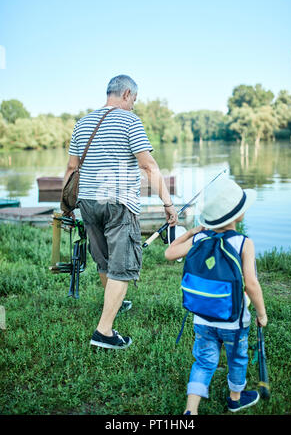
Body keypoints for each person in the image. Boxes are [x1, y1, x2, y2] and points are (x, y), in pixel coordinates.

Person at [63, 74, 178, 350]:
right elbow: (149, 167)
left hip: (87, 203)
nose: (134, 106)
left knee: (103, 259)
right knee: (123, 266)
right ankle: (104, 332)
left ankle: (115, 301)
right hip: (118, 203)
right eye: (134, 100)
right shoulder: (130, 121)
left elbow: (70, 169)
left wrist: (66, 205)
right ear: (126, 94)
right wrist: (168, 204)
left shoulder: (82, 123)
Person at [164, 176, 268, 414]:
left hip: (202, 318)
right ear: (238, 215)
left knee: (203, 362)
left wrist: (194, 231)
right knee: (237, 359)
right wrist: (261, 313)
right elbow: (251, 284)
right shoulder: (244, 243)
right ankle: (235, 398)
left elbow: (169, 253)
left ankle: (191, 410)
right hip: (234, 321)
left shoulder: (200, 238)